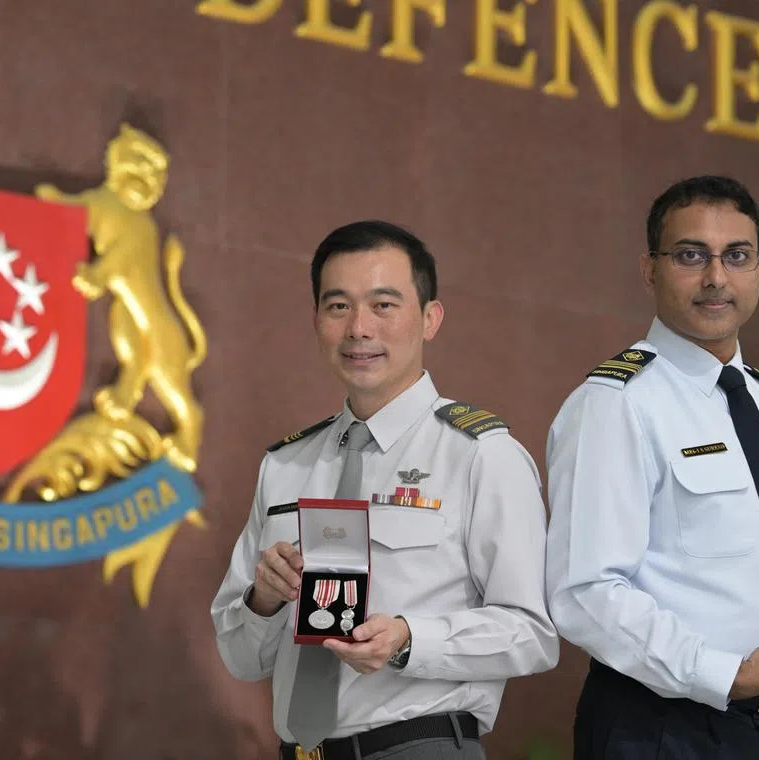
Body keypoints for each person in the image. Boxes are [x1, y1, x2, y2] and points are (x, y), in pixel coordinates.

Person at [545, 175, 759, 759]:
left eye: (736, 256)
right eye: (689, 256)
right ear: (649, 270)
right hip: (661, 729)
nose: (715, 278)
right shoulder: (617, 402)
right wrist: (724, 674)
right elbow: (585, 592)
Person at [211, 220, 558, 759]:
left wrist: (408, 640)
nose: (359, 329)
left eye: (384, 305)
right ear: (317, 320)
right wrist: (264, 599)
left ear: (430, 319)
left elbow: (533, 634)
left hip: (417, 746)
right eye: (338, 307)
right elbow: (239, 659)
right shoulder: (286, 465)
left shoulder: (479, 454)